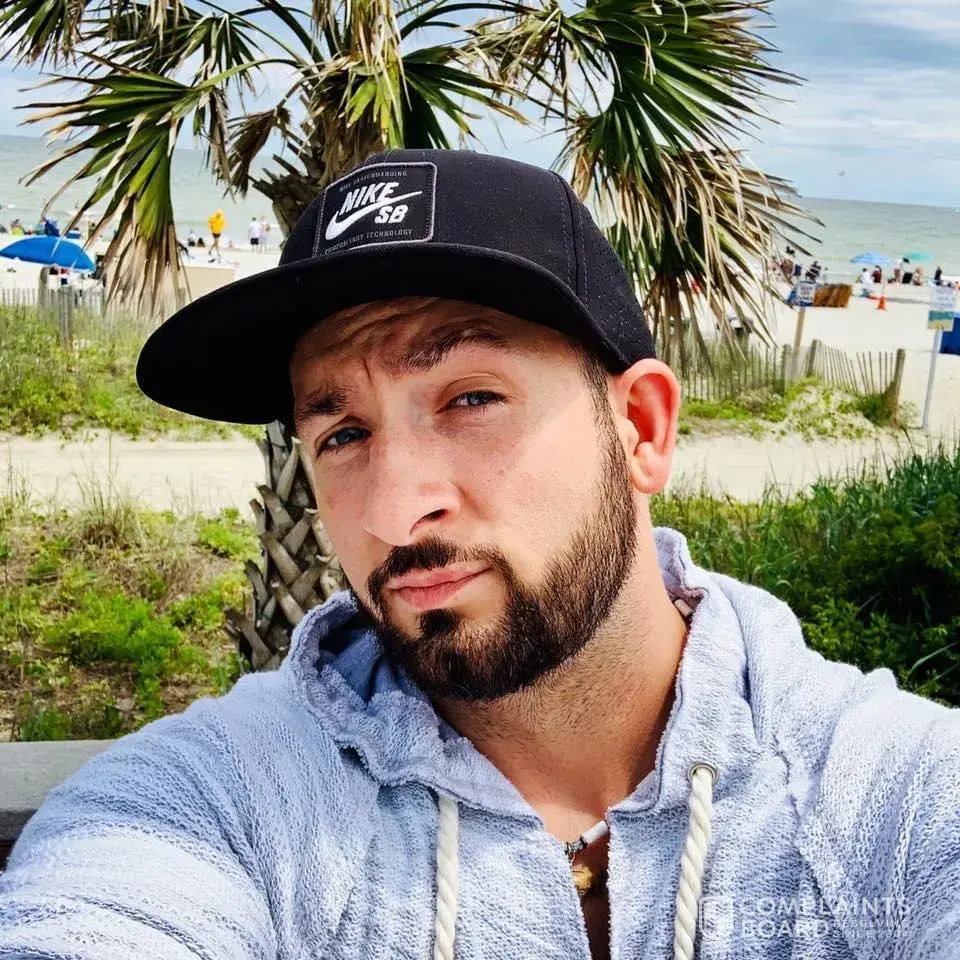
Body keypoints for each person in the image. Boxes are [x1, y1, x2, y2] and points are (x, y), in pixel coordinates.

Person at [4, 150, 960, 959]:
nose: (396, 510)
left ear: (640, 428)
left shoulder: (893, 797)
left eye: (470, 399)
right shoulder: (212, 806)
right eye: (342, 433)